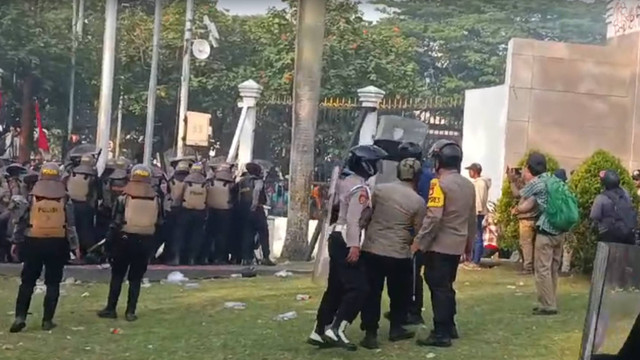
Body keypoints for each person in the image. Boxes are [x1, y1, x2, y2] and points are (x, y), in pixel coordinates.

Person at [307, 144, 387, 351]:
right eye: (374, 163)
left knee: (336, 287)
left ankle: (319, 331)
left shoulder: (343, 182)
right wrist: (354, 245)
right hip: (345, 238)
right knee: (359, 288)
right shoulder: (359, 188)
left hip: (335, 236)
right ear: (366, 165)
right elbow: (353, 219)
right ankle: (337, 328)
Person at [413, 139, 476, 348]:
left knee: (438, 288)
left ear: (439, 161)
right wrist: (469, 243)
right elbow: (471, 218)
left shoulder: (437, 184)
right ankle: (449, 325)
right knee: (447, 286)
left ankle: (441, 333)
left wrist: (420, 242)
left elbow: (433, 217)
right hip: (457, 245)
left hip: (439, 245)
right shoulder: (468, 185)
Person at [358, 158, 426, 350]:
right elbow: (418, 228)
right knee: (399, 294)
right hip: (399, 253)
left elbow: (366, 216)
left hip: (372, 249)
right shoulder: (418, 201)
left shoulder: (380, 190)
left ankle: (370, 333)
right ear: (417, 177)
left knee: (372, 292)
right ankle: (396, 328)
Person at [9, 162, 80, 332]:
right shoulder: (65, 198)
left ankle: (20, 316)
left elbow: (22, 222)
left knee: (27, 282)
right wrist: (75, 246)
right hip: (57, 243)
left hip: (33, 241)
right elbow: (70, 226)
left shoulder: (32, 195)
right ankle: (47, 320)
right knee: (53, 283)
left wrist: (16, 242)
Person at [98, 164, 162, 321]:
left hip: (124, 240)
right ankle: (130, 311)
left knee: (117, 275)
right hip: (145, 241)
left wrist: (108, 244)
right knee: (135, 278)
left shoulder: (124, 198)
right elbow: (160, 222)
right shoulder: (156, 199)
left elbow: (115, 222)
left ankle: (111, 308)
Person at [511, 152, 563, 316]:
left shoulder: (538, 183)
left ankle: (548, 305)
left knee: (542, 269)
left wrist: (514, 180)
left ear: (529, 167)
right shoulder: (553, 180)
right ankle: (549, 300)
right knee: (553, 269)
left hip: (546, 230)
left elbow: (519, 195)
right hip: (560, 230)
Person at [237, 163, 274, 266]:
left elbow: (239, 196)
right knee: (263, 233)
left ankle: (246, 258)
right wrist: (254, 204)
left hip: (245, 211)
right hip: (257, 210)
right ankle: (266, 257)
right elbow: (257, 191)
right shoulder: (258, 181)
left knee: (247, 234)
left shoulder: (242, 182)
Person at [173, 163, 207, 266]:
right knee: (196, 236)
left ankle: (177, 258)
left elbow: (178, 197)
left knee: (181, 234)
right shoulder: (205, 182)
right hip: (200, 212)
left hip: (185, 210)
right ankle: (192, 259)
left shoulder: (186, 181)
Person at [590, 170, 637, 245]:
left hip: (609, 237)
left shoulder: (601, 198)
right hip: (628, 234)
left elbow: (594, 216)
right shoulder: (625, 194)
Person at [65, 154, 99, 256]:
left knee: (73, 228)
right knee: (86, 229)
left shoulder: (73, 172)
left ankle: (74, 249)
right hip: (86, 204)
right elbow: (97, 193)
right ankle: (86, 251)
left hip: (71, 203)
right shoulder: (92, 175)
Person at [507, 166, 537, 275]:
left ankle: (528, 268)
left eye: (526, 172)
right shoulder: (535, 185)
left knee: (526, 244)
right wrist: (514, 181)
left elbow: (518, 195)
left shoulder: (533, 186)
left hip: (527, 218)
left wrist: (517, 210)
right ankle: (531, 266)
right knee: (530, 244)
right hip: (532, 218)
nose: (523, 174)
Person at [205, 163, 234, 264]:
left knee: (209, 235)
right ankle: (220, 258)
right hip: (225, 213)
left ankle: (207, 257)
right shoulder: (231, 185)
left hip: (211, 211)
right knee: (222, 236)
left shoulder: (210, 182)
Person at [465, 163, 491, 267]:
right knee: (475, 235)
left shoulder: (480, 183)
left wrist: (477, 211)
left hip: (477, 212)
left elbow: (479, 199)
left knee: (477, 236)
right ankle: (473, 259)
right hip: (476, 212)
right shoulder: (479, 182)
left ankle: (476, 261)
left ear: (474, 171)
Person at [166, 160, 190, 265]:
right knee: (183, 234)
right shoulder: (191, 180)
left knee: (172, 234)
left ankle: (172, 257)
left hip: (173, 209)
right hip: (186, 209)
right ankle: (183, 257)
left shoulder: (172, 180)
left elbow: (167, 193)